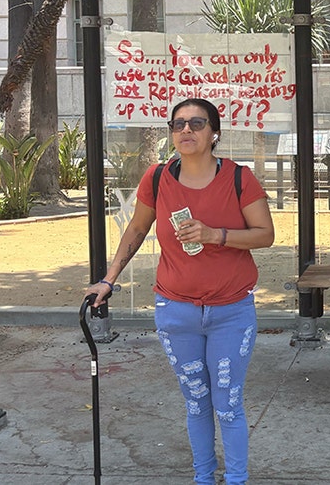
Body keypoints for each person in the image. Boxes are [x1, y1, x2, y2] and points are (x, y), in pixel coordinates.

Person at [85, 97, 274, 485]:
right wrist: (109, 278)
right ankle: (203, 477)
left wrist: (214, 234)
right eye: (178, 125)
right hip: (176, 312)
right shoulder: (157, 177)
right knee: (196, 403)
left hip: (231, 312)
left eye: (196, 123)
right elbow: (136, 230)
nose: (186, 130)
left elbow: (265, 235)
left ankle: (237, 479)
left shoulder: (239, 178)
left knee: (228, 404)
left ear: (214, 133)